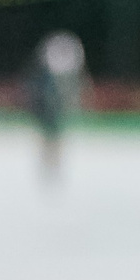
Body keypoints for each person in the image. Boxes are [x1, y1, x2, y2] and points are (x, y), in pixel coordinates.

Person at [27, 28, 88, 180]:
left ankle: (52, 162)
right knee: (50, 134)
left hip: (53, 107)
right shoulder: (51, 74)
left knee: (54, 134)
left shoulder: (60, 64)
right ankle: (50, 162)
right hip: (48, 107)